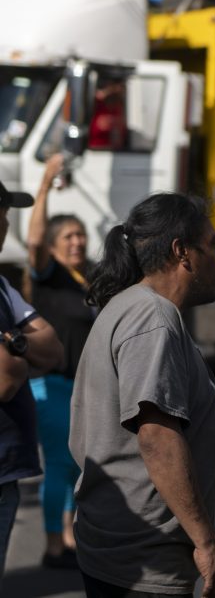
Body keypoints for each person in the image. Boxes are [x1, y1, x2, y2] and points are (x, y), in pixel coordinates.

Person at [70, 193, 215, 598]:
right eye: (212, 244)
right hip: (142, 559)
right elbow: (157, 438)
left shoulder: (136, 308)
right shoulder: (152, 317)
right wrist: (206, 542)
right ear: (182, 252)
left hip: (123, 549)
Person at [25, 153, 94, 569]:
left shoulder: (88, 279)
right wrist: (46, 184)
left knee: (71, 466)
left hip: (81, 388)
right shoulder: (49, 276)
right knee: (57, 465)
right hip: (51, 384)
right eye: (67, 237)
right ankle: (53, 544)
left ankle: (67, 536)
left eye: (80, 236)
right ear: (52, 247)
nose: (76, 243)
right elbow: (33, 240)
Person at [0, 179, 64, 589]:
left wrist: (16, 344)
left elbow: (51, 347)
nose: (7, 224)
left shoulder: (2, 287)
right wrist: (22, 357)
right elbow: (6, 379)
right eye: (2, 213)